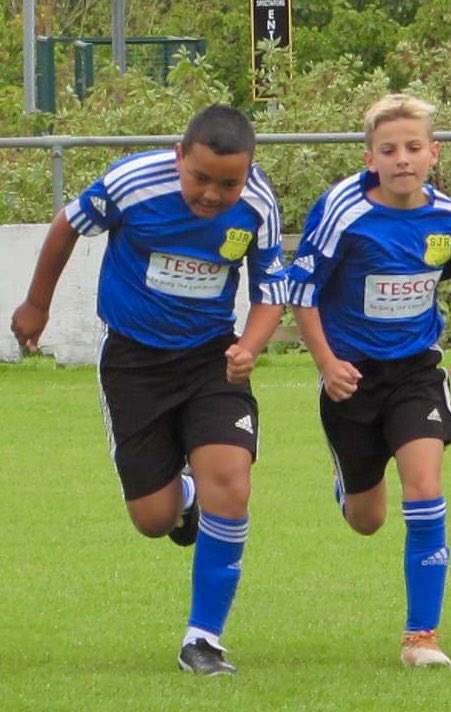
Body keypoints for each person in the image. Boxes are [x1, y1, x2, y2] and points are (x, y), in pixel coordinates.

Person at [10, 104, 288, 675]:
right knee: (153, 519)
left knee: (231, 485)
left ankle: (203, 640)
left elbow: (270, 288)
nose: (212, 195)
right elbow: (66, 227)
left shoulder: (259, 206)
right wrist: (36, 305)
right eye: (201, 178)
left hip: (212, 360)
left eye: (228, 183)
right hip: (133, 363)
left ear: (250, 169)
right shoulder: (131, 184)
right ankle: (183, 497)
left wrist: (250, 347)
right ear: (179, 154)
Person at [287, 93, 451, 667]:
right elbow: (302, 291)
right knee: (367, 520)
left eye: (412, 147)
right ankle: (349, 484)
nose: (402, 158)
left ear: (433, 153)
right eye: (389, 149)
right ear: (370, 157)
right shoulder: (342, 211)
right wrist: (327, 364)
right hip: (351, 379)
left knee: (426, 490)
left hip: (416, 374)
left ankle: (420, 637)